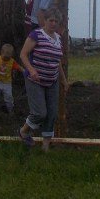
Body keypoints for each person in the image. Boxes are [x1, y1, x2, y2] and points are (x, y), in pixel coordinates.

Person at [19, 9, 68, 151]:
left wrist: (64, 81)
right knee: (40, 113)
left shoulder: (58, 39)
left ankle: (45, 148)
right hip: (35, 79)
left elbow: (57, 61)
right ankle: (23, 131)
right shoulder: (36, 35)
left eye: (56, 21)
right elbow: (23, 54)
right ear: (45, 21)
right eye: (50, 20)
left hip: (52, 80)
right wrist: (32, 70)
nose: (53, 23)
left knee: (51, 114)